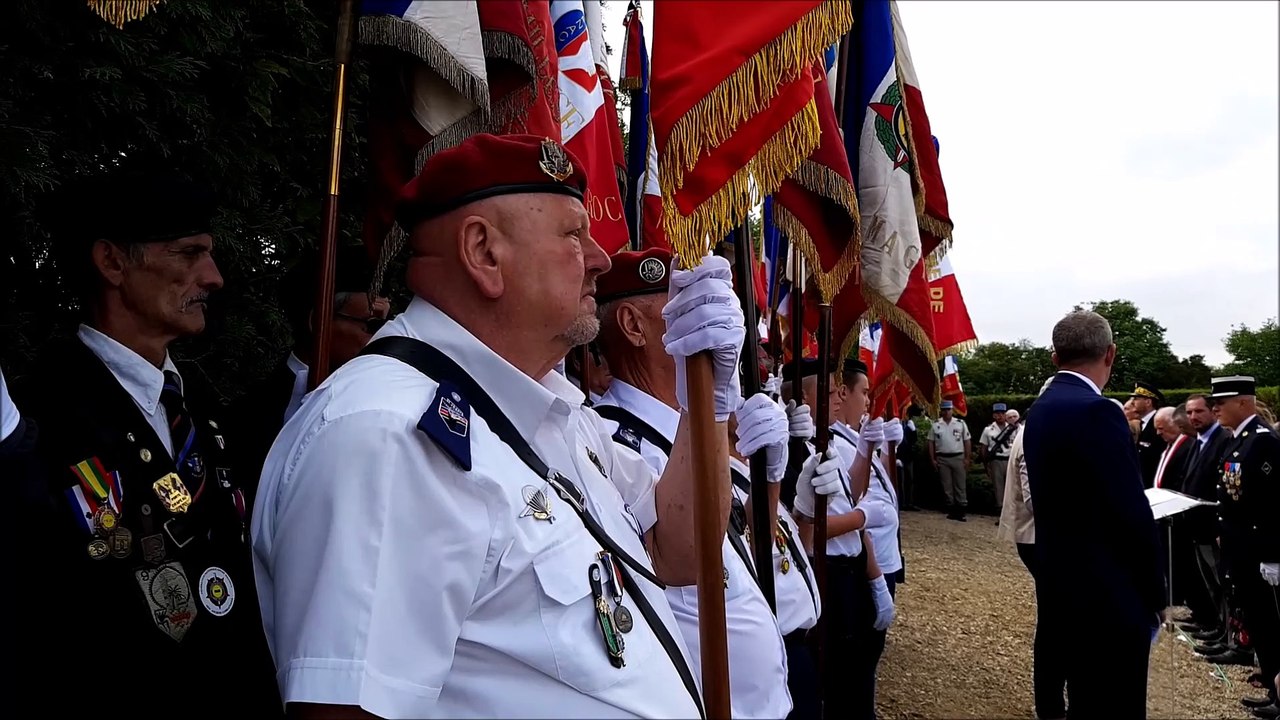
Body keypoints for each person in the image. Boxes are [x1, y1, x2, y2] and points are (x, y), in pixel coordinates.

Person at [251, 134, 748, 718]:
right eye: (572, 233)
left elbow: (679, 553)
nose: (599, 257)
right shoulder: (385, 436)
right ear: (484, 252)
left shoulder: (555, 411)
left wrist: (704, 402)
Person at [12, 162, 281, 714]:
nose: (213, 277)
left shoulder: (202, 413)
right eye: (187, 254)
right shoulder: (41, 419)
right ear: (111, 262)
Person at [592, 248, 792, 719]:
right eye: (683, 304)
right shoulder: (607, 439)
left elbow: (745, 536)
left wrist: (770, 477)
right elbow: (679, 561)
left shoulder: (699, 424)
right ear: (634, 326)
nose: (707, 314)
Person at [1022, 310, 1165, 719]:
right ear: (1110, 354)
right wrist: (1156, 593)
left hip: (1063, 583)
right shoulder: (1098, 410)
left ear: (1055, 358)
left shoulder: (1043, 407)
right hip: (1109, 594)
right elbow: (1131, 512)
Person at [231, 244, 390, 504]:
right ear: (319, 322)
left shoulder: (387, 407)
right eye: (372, 324)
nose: (382, 336)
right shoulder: (247, 417)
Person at [785, 357, 894, 720]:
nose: (838, 398)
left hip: (850, 567)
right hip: (825, 571)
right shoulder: (791, 450)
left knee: (856, 673)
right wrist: (862, 517)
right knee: (837, 681)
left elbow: (853, 492)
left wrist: (866, 451)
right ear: (802, 397)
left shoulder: (828, 439)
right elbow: (808, 529)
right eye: (830, 392)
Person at [1211, 375, 1280, 718]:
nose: (1215, 409)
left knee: (1271, 625)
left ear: (1243, 402)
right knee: (1259, 622)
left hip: (1258, 553)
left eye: (1220, 403)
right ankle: (1273, 687)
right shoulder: (1235, 441)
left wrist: (1272, 555)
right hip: (1241, 551)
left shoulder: (1263, 442)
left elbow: (1273, 504)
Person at [999, 378, 1066, 720]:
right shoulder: (1035, 432)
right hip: (1041, 538)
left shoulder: (1035, 429)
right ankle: (1050, 705)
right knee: (1056, 623)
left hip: (1042, 537)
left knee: (1058, 621)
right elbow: (1037, 498)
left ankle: (1052, 702)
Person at [929, 399, 972, 521]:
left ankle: (961, 510)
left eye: (948, 409)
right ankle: (951, 509)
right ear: (941, 411)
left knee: (960, 484)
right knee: (946, 485)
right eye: (944, 410)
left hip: (958, 456)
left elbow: (967, 441)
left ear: (952, 410)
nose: (946, 412)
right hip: (942, 457)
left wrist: (967, 458)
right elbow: (931, 443)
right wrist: (933, 459)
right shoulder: (936, 424)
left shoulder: (960, 423)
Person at [978, 403, 1016, 516]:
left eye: (1002, 413)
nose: (1000, 416)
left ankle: (1011, 513)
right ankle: (1000, 512)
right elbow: (983, 448)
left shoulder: (1012, 428)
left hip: (1010, 460)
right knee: (998, 488)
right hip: (996, 461)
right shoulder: (988, 429)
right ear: (994, 415)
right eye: (997, 414)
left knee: (1011, 487)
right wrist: (986, 465)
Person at [1130, 381, 1167, 488]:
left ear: (1148, 402)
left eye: (1136, 398)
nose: (1132, 402)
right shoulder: (1143, 424)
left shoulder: (1158, 423)